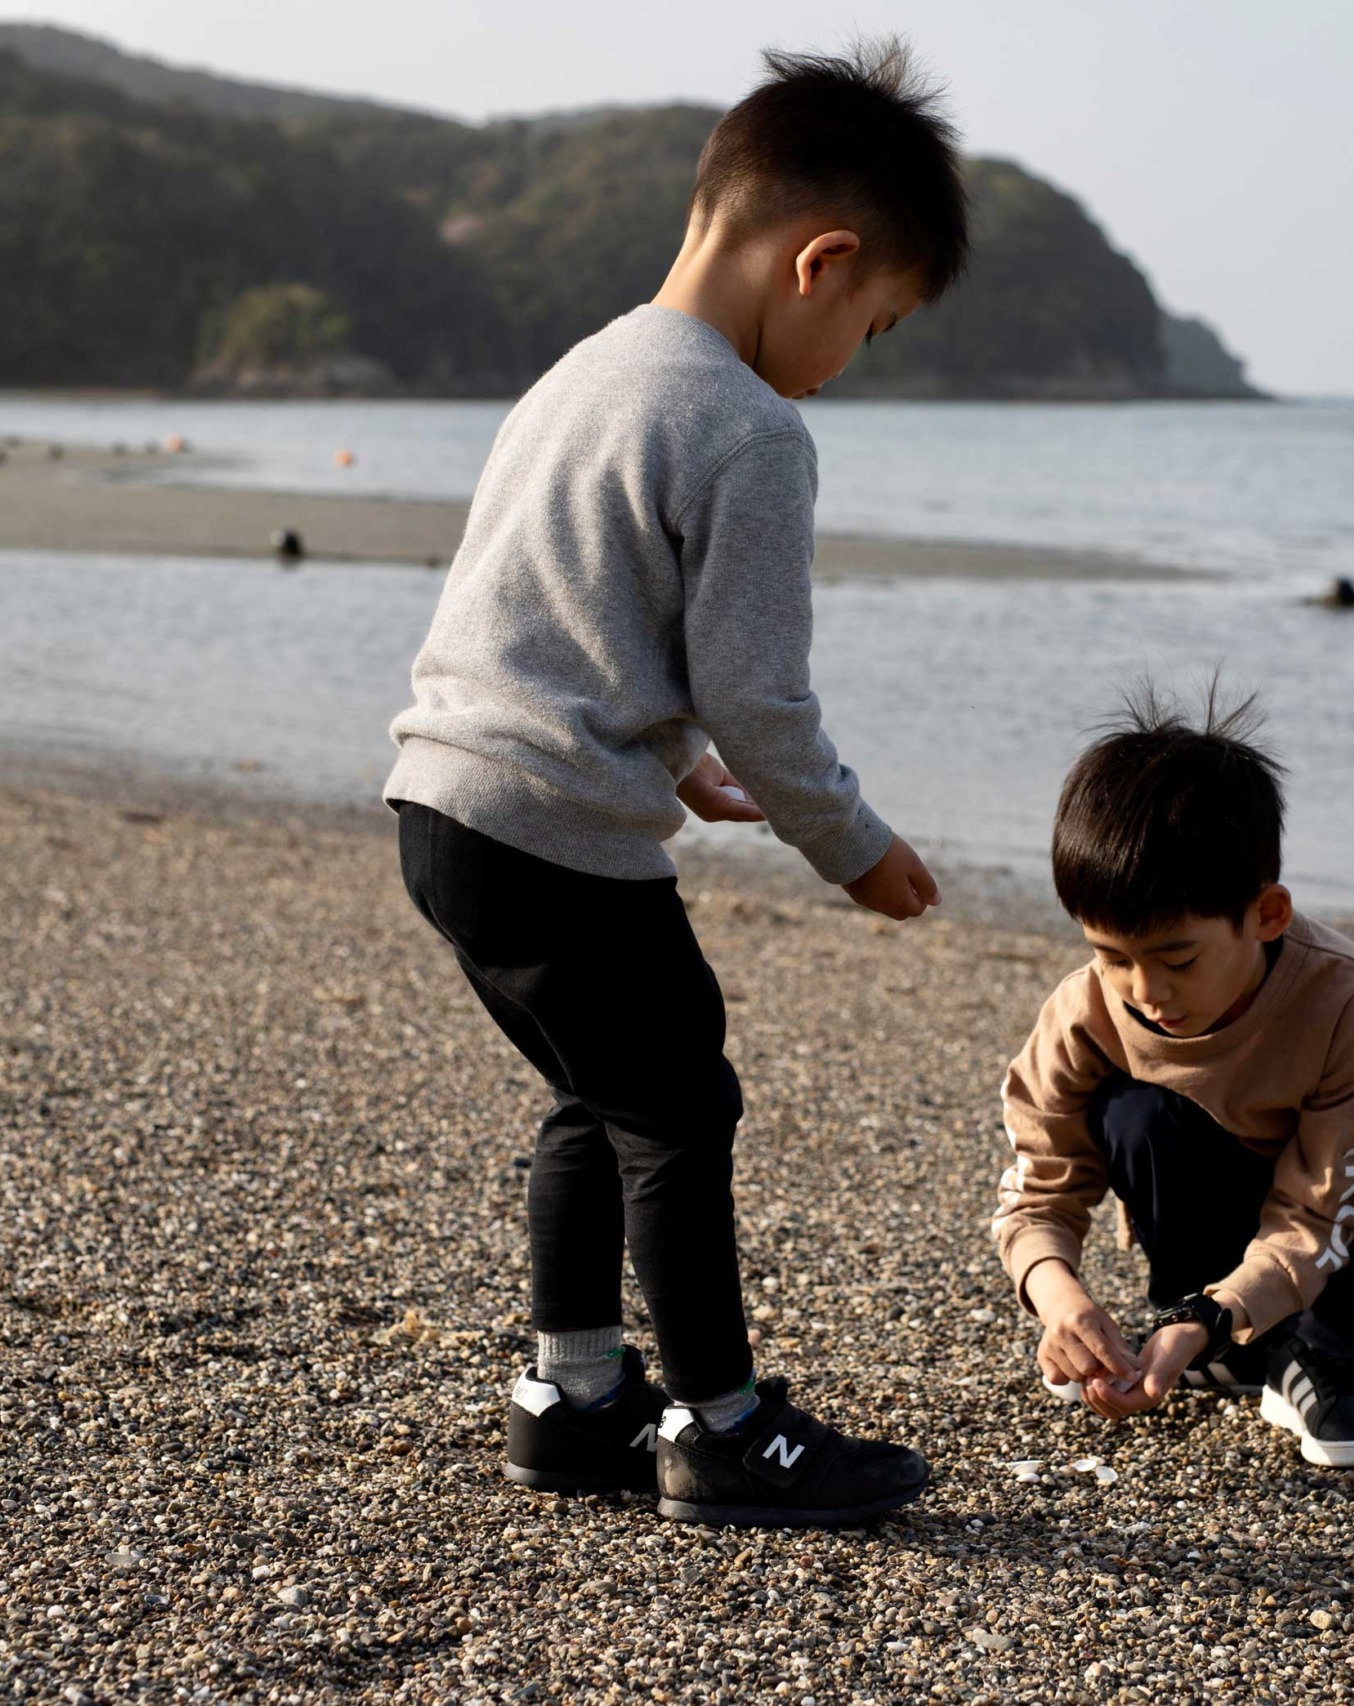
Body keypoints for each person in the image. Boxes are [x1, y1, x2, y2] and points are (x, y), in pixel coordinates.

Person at [384, 41, 966, 1527]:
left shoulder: (586, 370)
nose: (852, 362)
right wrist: (858, 847)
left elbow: (551, 608)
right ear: (818, 263)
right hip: (559, 833)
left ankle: (574, 1397)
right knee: (680, 1104)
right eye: (875, 324)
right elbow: (767, 693)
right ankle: (723, 1426)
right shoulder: (753, 429)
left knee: (599, 1093)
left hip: (445, 801)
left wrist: (673, 759)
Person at [994, 692, 1354, 1468]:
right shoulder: (1086, 1011)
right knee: (1135, 1110)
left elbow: (1317, 1214)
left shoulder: (1349, 1004)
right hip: (1209, 1266)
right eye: (1112, 955)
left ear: (1267, 913)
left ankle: (1320, 1359)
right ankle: (1210, 1343)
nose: (1144, 991)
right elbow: (1038, 1192)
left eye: (1178, 959)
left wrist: (1218, 1317)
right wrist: (1065, 1304)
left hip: (1339, 1249)